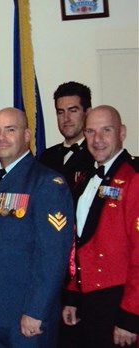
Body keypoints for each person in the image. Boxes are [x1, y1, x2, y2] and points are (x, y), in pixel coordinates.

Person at [0, 107, 74, 347]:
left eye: (10, 130)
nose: (1, 137)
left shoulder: (46, 183)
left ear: (26, 135)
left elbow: (53, 255)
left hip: (25, 315)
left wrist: (36, 310)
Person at [62, 105, 138, 348]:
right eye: (91, 132)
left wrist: (130, 316)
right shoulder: (85, 177)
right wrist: (73, 295)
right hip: (88, 300)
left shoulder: (134, 178)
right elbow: (79, 241)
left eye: (106, 130)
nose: (98, 140)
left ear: (122, 132)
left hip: (117, 299)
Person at [39, 81, 94, 191]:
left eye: (73, 111)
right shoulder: (46, 157)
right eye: (60, 112)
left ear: (87, 113)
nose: (66, 118)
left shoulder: (95, 155)